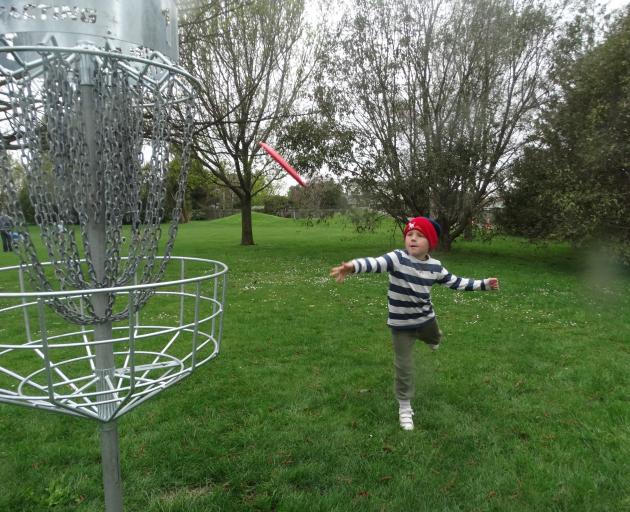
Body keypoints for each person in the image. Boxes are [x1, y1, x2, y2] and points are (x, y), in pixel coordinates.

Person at [330, 216, 499, 431]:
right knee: (404, 367)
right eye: (409, 234)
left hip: (425, 319)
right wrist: (354, 266)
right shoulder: (397, 258)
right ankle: (404, 407)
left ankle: (433, 339)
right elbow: (375, 262)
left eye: (419, 236)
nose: (413, 239)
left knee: (435, 337)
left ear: (430, 242)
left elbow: (456, 282)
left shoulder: (435, 267)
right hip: (400, 325)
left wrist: (483, 285)